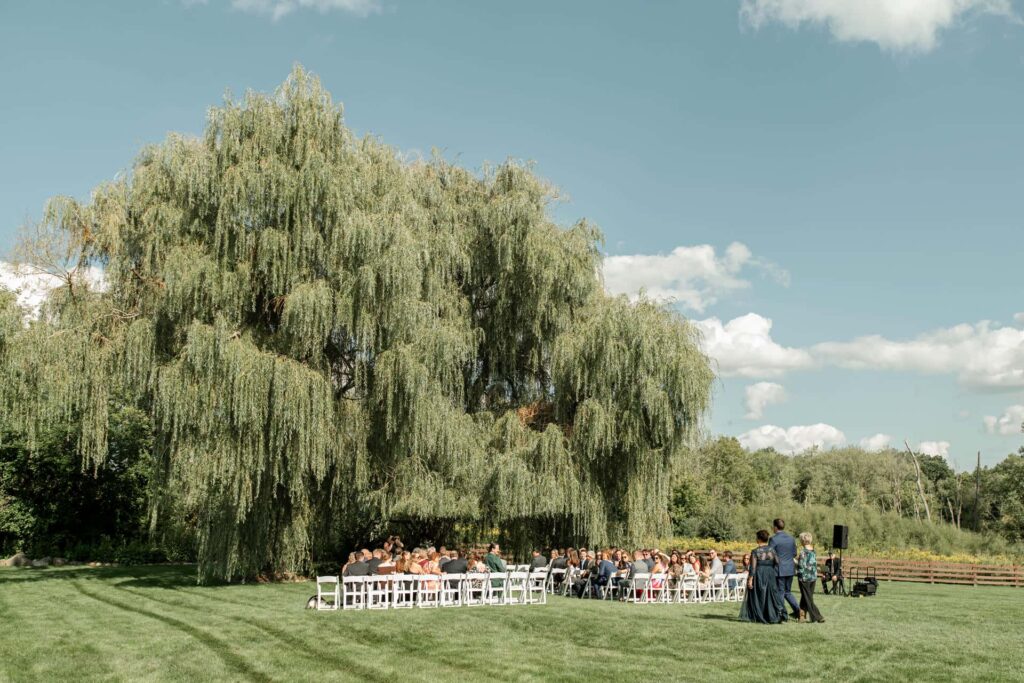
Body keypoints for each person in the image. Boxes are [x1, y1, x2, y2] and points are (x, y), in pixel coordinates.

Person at [739, 530, 788, 624]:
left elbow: (753, 567)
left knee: (759, 594)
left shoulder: (755, 551)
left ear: (758, 539)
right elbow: (777, 561)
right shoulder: (772, 550)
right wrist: (770, 566)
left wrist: (750, 579)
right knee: (771, 594)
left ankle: (760, 615)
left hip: (759, 573)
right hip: (770, 573)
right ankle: (774, 615)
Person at [768, 518, 801, 619]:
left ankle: (782, 614)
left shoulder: (773, 539)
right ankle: (798, 611)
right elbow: (794, 554)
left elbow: (770, 554)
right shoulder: (791, 539)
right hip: (790, 569)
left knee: (780, 592)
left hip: (779, 570)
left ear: (775, 527)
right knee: (787, 592)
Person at [796, 532, 825, 623]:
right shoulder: (813, 551)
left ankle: (818, 616)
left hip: (804, 578)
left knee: (808, 598)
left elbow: (801, 566)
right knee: (806, 597)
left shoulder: (803, 552)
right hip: (813, 577)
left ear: (802, 541)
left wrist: (794, 561)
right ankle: (801, 616)